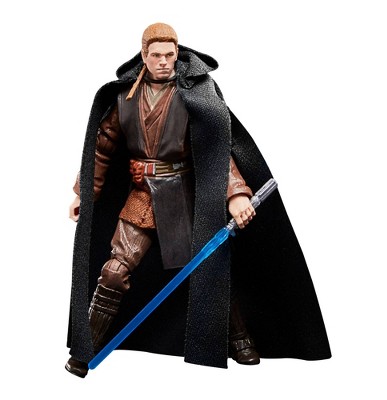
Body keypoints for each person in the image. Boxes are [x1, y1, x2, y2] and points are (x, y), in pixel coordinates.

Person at [66, 23, 331, 378]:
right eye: (156, 55)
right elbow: (102, 147)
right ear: (144, 56)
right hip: (142, 196)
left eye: (170, 54)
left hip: (181, 196)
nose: (164, 61)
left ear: (177, 54)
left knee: (209, 268)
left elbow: (218, 147)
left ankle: (238, 338)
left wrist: (237, 194)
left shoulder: (194, 94)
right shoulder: (125, 97)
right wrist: (84, 193)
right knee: (113, 273)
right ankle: (85, 350)